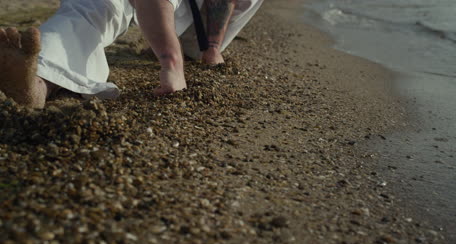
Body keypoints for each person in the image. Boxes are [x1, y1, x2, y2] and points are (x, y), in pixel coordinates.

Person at [0, 0, 263, 108]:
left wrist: (211, 48)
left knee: (86, 14)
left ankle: (191, 46)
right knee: (92, 8)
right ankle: (36, 84)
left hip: (197, 17)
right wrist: (171, 63)